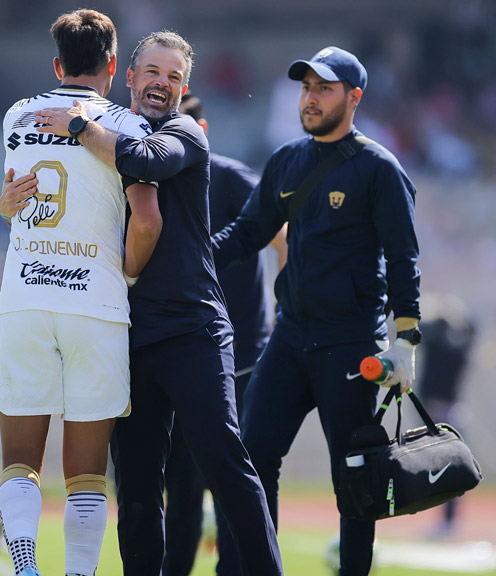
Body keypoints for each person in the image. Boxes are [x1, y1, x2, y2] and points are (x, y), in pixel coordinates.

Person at [34, 31, 284, 576]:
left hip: (192, 327)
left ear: (184, 88)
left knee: (225, 460)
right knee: (140, 487)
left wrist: (77, 124)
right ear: (129, 75)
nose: (162, 84)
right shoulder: (105, 136)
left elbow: (150, 159)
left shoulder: (185, 131)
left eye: (174, 77)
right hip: (125, 334)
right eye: (153, 72)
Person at [211, 46, 421, 576]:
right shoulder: (286, 160)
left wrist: (406, 342)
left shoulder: (379, 168)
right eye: (306, 88)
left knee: (355, 473)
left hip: (351, 343)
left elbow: (404, 258)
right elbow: (249, 232)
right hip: (291, 338)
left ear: (353, 97)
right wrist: (192, 261)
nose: (310, 97)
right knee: (252, 460)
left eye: (323, 88)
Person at [0, 10, 161, 576]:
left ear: (57, 64)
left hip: (24, 300)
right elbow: (146, 221)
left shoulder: (18, 113)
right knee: (86, 472)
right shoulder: (128, 125)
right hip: (96, 304)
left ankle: (23, 564)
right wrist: (129, 274)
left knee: (19, 462)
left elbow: (15, 201)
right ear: (113, 65)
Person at [162, 92, 287, 576]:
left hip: (239, 356)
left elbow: (285, 235)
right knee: (183, 487)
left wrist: (284, 311)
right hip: (178, 351)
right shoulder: (152, 183)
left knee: (233, 479)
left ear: (202, 129)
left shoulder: (230, 177)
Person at [417, 292, 477, 540]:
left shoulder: (449, 344)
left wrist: (439, 314)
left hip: (445, 411)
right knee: (441, 467)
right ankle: (445, 521)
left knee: (448, 468)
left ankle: (447, 522)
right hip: (440, 410)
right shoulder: (451, 342)